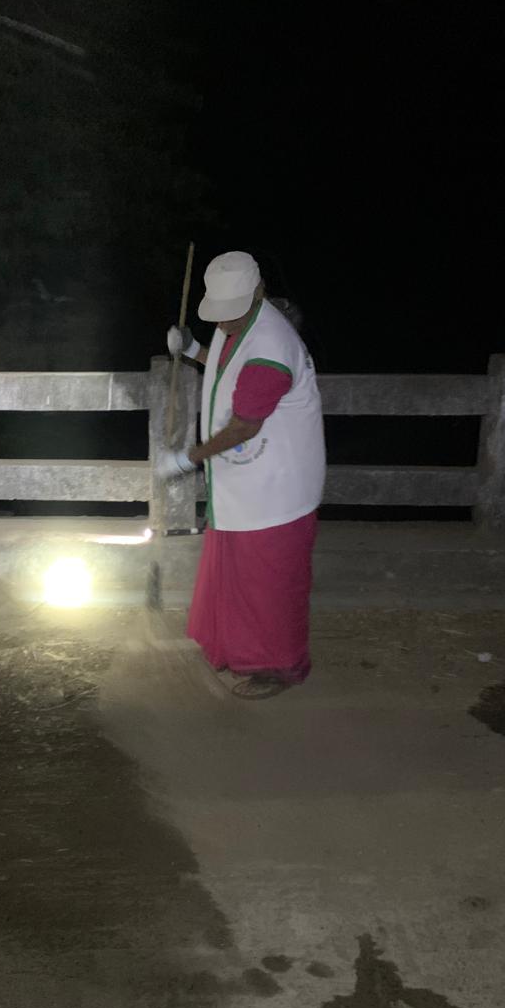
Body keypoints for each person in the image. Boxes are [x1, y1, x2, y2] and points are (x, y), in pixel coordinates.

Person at [160, 250, 325, 699]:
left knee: (268, 584)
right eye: (220, 312)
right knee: (237, 575)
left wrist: (188, 458)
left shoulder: (272, 349)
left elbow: (243, 425)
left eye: (232, 312)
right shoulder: (243, 324)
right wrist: (192, 350)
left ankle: (280, 666)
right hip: (246, 482)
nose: (224, 322)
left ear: (258, 292)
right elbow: (228, 364)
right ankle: (236, 650)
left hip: (276, 488)